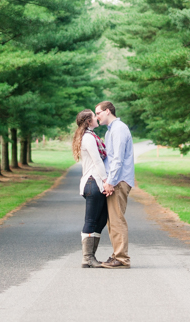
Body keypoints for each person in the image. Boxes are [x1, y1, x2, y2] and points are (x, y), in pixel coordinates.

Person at [95, 100, 134, 269]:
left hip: (118, 181)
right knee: (112, 221)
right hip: (115, 180)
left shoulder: (118, 129)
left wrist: (110, 181)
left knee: (117, 220)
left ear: (108, 111)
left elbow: (117, 159)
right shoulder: (111, 131)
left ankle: (122, 258)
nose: (97, 117)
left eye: (98, 113)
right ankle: (117, 254)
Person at [72, 109, 110, 268]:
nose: (96, 118)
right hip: (93, 182)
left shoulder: (92, 136)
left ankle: (90, 257)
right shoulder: (88, 138)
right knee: (91, 220)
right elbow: (97, 161)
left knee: (101, 219)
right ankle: (87, 258)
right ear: (88, 121)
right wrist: (106, 180)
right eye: (94, 116)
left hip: (96, 182)